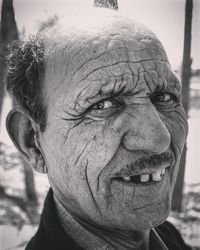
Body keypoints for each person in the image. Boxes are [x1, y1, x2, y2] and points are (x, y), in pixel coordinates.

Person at [5, 7, 190, 250]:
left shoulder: (167, 236)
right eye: (102, 105)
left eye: (164, 97)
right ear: (33, 143)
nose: (159, 139)